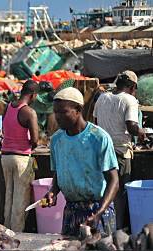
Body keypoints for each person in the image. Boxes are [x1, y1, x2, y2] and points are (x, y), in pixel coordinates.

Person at [44, 87, 119, 236]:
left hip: (98, 209)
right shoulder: (56, 140)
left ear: (78, 110)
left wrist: (100, 212)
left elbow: (114, 180)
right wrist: (53, 191)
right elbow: (59, 173)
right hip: (72, 211)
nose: (57, 117)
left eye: (63, 112)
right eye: (55, 112)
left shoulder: (99, 138)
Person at [93, 70, 145, 230]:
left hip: (101, 152)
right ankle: (118, 229)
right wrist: (142, 133)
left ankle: (103, 227)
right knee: (120, 191)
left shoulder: (102, 98)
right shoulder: (129, 100)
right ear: (132, 86)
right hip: (120, 152)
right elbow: (132, 126)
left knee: (105, 190)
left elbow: (95, 123)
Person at [1, 80, 39, 232]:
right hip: (21, 159)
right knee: (20, 200)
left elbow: (4, 131)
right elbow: (35, 140)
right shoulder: (29, 112)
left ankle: (4, 231)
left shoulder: (8, 107)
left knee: (8, 196)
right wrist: (32, 144)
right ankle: (15, 235)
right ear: (33, 95)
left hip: (5, 157)